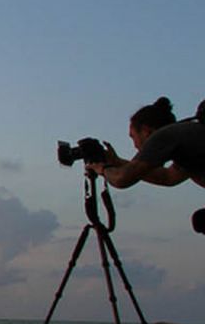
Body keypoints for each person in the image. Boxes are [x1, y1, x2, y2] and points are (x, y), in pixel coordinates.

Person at [86, 97, 205, 233]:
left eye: (133, 137)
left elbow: (122, 179)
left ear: (146, 131)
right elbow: (167, 177)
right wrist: (117, 162)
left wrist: (102, 169)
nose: (135, 145)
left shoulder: (164, 137)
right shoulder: (188, 141)